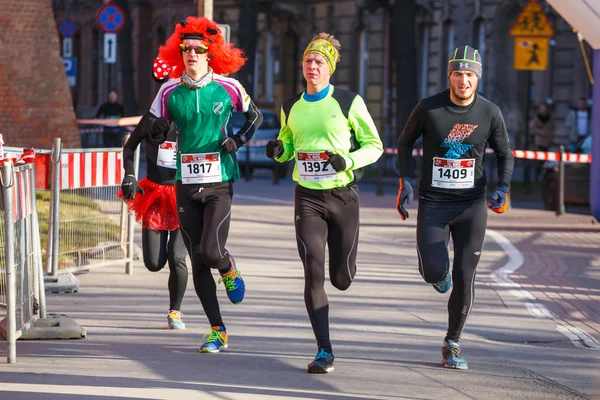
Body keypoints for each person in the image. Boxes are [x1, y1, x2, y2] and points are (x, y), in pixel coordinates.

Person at [266, 32, 383, 373]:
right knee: (312, 270)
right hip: (307, 198)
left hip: (343, 196)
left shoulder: (348, 102)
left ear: (330, 68)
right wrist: (278, 151)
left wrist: (347, 161)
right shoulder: (291, 106)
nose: (312, 66)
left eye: (319, 62)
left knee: (341, 278)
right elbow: (287, 144)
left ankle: (345, 273)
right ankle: (324, 350)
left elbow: (373, 145)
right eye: (308, 61)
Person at [395, 45, 514, 370]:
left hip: (471, 205)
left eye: (470, 75)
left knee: (466, 276)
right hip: (434, 204)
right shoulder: (429, 108)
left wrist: (503, 188)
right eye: (458, 74)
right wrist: (406, 181)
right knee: (434, 271)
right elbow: (405, 142)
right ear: (449, 76)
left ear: (478, 78)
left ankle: (453, 342)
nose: (464, 81)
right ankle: (438, 274)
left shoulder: (489, 112)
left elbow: (506, 153)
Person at [148, 16, 263, 353]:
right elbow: (156, 125)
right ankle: (218, 330)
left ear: (210, 54)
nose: (192, 55)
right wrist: (157, 133)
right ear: (179, 53)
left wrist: (238, 140)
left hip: (220, 182)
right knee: (198, 259)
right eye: (186, 49)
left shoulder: (228, 87)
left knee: (212, 252)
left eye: (199, 50)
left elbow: (253, 116)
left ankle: (228, 268)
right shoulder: (169, 90)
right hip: (185, 183)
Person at [119, 106, 188, 331]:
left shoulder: (193, 117)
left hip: (184, 197)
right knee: (154, 263)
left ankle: (175, 311)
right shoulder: (150, 118)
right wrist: (129, 174)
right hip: (155, 196)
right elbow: (130, 145)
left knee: (177, 257)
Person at [530, 102, 555, 180]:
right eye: (542, 108)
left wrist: (550, 135)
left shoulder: (550, 118)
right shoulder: (537, 118)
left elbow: (553, 128)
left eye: (544, 108)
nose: (543, 110)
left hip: (547, 142)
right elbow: (532, 129)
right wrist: (541, 132)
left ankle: (544, 175)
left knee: (545, 160)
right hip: (539, 142)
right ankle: (537, 175)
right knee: (539, 160)